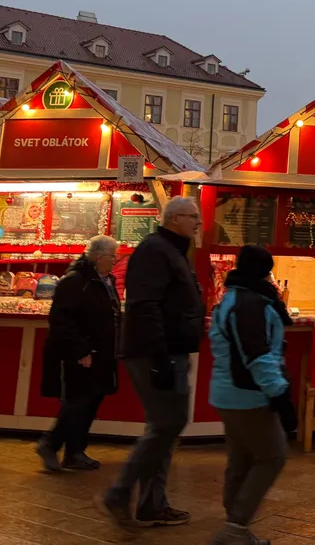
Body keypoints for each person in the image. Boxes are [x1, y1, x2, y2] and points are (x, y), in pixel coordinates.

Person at [99, 197, 204, 529]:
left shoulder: (173, 250)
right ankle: (118, 492)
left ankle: (151, 504)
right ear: (174, 219)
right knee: (167, 424)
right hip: (155, 352)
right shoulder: (156, 250)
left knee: (165, 426)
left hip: (170, 350)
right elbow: (145, 306)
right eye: (193, 217)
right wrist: (160, 357)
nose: (198, 223)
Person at [208, 244, 291, 545]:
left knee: (241, 459)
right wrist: (280, 395)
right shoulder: (250, 304)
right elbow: (256, 355)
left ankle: (236, 529)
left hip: (227, 393)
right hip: (248, 395)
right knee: (272, 456)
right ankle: (235, 528)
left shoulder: (234, 297)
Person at [38, 235, 122, 472]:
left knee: (92, 400)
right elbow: (62, 320)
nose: (115, 261)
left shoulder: (105, 280)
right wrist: (81, 350)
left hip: (102, 353)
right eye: (112, 256)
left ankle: (75, 451)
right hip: (80, 355)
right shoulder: (75, 281)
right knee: (78, 401)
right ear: (98, 257)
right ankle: (51, 443)